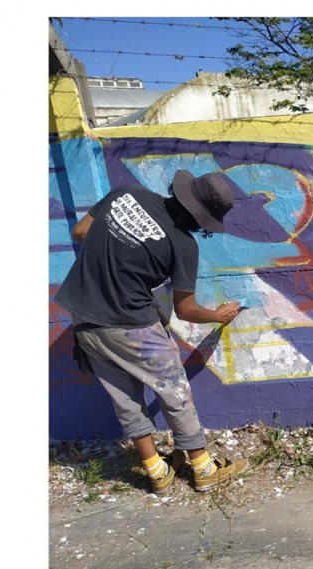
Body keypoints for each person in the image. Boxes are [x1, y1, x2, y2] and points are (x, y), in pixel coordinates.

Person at [56, 170, 249, 494]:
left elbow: (81, 231)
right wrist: (217, 314)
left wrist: (118, 249)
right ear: (204, 221)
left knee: (124, 397)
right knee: (173, 389)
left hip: (85, 319)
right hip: (133, 326)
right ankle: (202, 467)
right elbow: (186, 309)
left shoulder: (126, 193)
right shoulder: (183, 245)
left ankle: (156, 471)